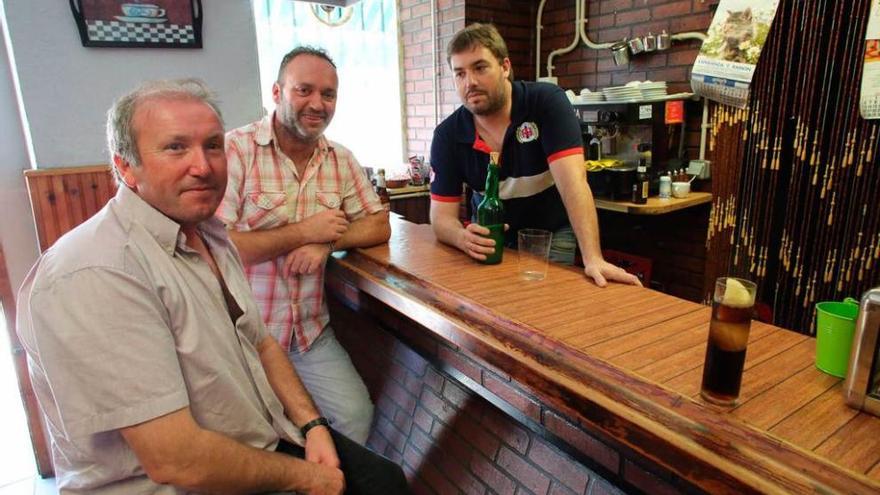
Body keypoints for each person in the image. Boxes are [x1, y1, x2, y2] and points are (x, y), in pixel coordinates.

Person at [16, 79, 407, 494]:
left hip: (255, 442)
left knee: (384, 480)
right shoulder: (96, 271)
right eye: (175, 148)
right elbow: (176, 460)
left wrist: (312, 425)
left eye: (213, 146)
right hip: (178, 484)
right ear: (126, 167)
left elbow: (259, 342)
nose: (202, 166)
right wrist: (311, 478)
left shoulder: (209, 234)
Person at [217, 46, 390, 446]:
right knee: (256, 440)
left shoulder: (340, 159)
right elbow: (219, 248)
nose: (318, 104)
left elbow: (379, 223)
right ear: (276, 93)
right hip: (243, 337)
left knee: (354, 415)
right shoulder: (236, 150)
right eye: (304, 90)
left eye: (328, 94)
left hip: (309, 335)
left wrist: (328, 243)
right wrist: (304, 232)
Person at [429, 23, 641, 288]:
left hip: (549, 233)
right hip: (490, 238)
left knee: (547, 305)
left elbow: (573, 185)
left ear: (505, 67)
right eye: (459, 73)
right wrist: (462, 238)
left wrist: (593, 258)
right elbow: (441, 218)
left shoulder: (546, 103)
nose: (470, 82)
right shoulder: (447, 135)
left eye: (480, 68)